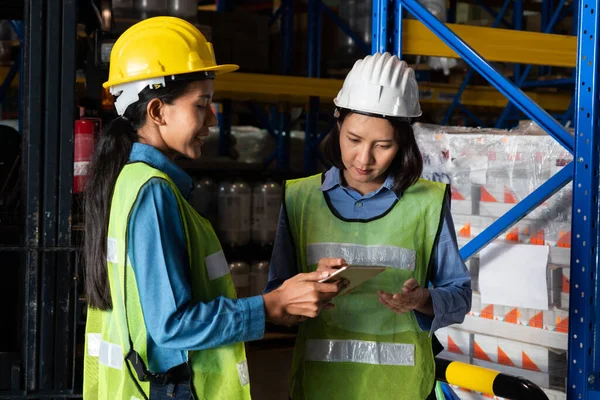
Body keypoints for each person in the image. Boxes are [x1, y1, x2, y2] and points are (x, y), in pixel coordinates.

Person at [82, 17, 342, 400]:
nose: (212, 119)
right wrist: (269, 306)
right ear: (157, 111)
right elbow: (172, 326)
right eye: (201, 105)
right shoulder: (152, 192)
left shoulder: (126, 181)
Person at [265, 52, 472, 399]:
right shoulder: (300, 199)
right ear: (337, 126)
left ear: (403, 143)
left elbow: (460, 296)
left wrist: (424, 300)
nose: (364, 159)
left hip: (401, 391)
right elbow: (275, 303)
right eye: (354, 140)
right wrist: (304, 295)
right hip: (320, 388)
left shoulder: (427, 202)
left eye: (383, 145)